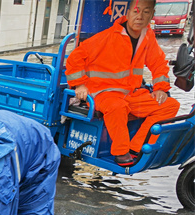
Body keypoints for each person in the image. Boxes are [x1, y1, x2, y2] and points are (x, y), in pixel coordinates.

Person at [65, 0, 180, 166]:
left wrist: (160, 88)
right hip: (103, 94)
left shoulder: (147, 37)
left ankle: (137, 147)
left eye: (146, 12)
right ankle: (121, 152)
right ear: (127, 14)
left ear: (152, 15)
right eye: (136, 11)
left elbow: (158, 63)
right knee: (117, 107)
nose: (140, 16)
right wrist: (80, 84)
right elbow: (75, 57)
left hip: (130, 94)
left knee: (170, 105)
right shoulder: (107, 37)